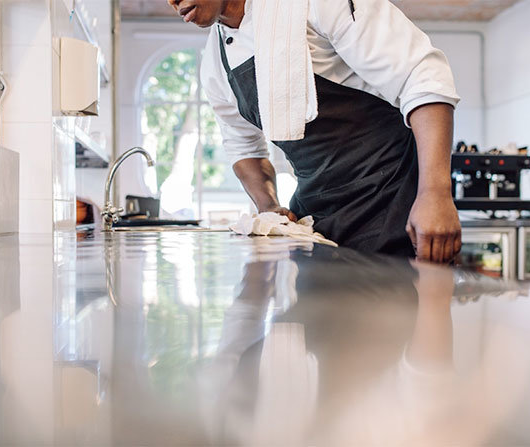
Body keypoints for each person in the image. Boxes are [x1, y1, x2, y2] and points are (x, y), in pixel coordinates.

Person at [167, 0, 462, 263]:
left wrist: (435, 193)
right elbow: (244, 149)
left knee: (397, 320)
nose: (171, 1)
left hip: (393, 202)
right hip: (316, 220)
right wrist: (270, 208)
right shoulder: (214, 64)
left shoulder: (317, 4)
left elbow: (422, 78)